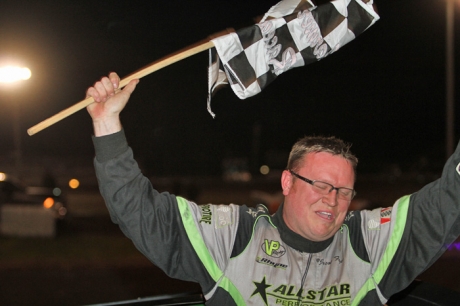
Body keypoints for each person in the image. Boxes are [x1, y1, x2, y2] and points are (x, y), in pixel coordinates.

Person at [87, 72, 460, 306]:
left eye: (344, 191)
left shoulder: (370, 243)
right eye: (321, 184)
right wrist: (107, 125)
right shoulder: (234, 236)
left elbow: (449, 202)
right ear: (287, 182)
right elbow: (141, 213)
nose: (333, 199)